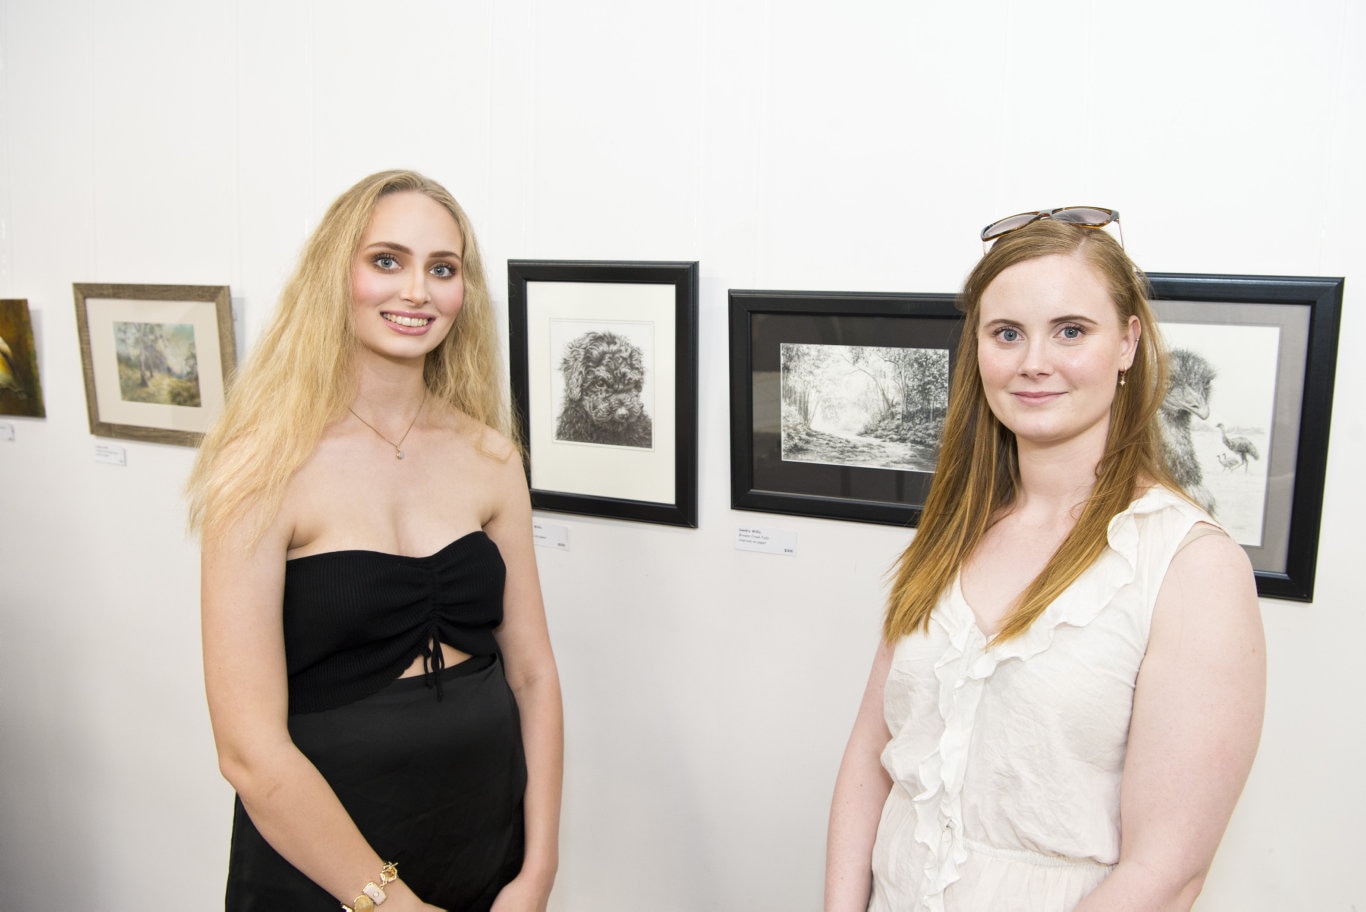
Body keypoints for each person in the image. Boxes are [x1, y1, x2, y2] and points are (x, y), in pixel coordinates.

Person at [824, 209, 1265, 912]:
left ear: (1128, 341)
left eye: (1070, 330)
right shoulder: (951, 531)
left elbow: (1168, 872)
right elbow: (871, 758)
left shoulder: (1189, 567)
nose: (1034, 362)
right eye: (1007, 334)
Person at [187, 170, 562, 912]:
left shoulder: (491, 456)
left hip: (485, 846)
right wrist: (390, 905)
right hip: (325, 866)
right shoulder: (261, 466)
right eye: (387, 260)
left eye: (442, 268)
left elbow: (533, 676)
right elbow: (249, 752)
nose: (417, 291)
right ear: (338, 273)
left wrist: (538, 871)